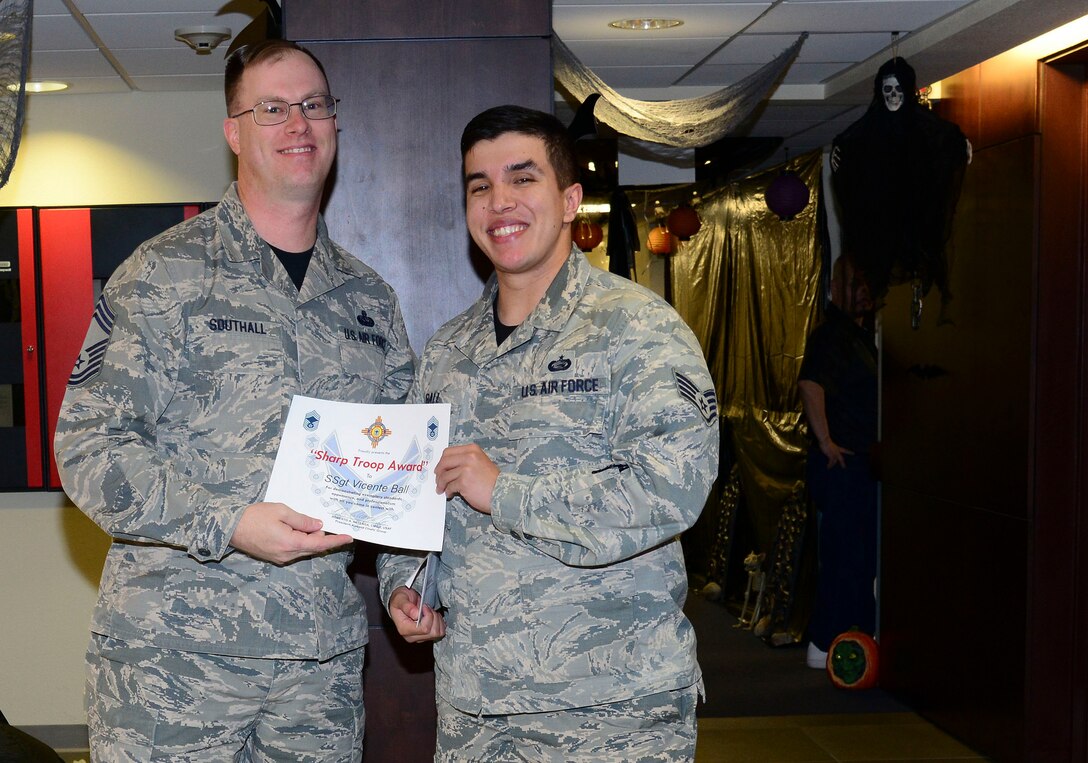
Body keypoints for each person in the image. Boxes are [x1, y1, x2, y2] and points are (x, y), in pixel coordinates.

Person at [54, 39, 415, 761]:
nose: (298, 125)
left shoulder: (369, 300)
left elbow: (399, 473)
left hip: (317, 671)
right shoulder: (163, 274)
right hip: (174, 667)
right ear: (234, 131)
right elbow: (89, 448)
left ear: (335, 125)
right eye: (272, 108)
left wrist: (407, 579)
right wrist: (229, 520)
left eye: (314, 106)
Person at [376, 105, 720, 761]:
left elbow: (672, 488)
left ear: (568, 200)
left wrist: (505, 491)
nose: (498, 201)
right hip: (478, 710)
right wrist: (406, 586)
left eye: (521, 178)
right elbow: (412, 503)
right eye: (479, 185)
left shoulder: (639, 330)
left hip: (611, 711)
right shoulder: (447, 353)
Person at [797, 254, 878, 669]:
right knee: (845, 554)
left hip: (861, 463)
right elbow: (811, 384)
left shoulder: (862, 337)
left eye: (867, 284)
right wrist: (826, 440)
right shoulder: (832, 336)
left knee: (860, 555)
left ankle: (852, 637)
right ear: (836, 290)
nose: (862, 292)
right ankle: (825, 639)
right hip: (842, 464)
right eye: (854, 284)